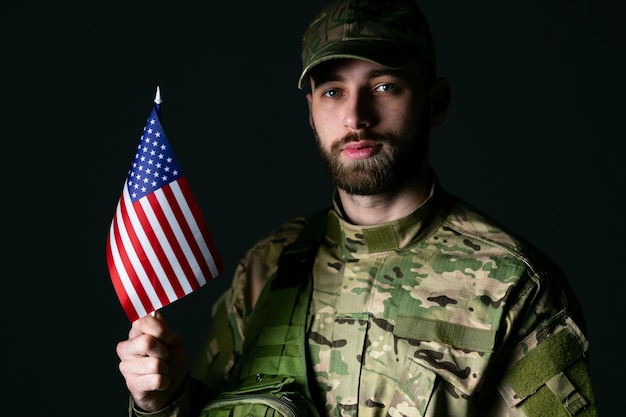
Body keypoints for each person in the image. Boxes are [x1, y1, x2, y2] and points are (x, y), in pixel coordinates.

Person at [116, 0, 599, 416]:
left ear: (436, 102)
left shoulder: (513, 286)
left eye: (385, 85)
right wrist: (165, 401)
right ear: (310, 113)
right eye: (332, 91)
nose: (355, 116)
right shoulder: (267, 269)